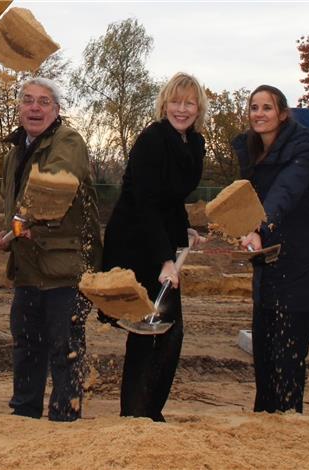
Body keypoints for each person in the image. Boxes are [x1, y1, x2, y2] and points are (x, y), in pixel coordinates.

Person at [0, 77, 102, 422]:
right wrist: (10, 234)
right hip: (27, 267)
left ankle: (65, 417)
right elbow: (16, 209)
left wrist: (19, 222)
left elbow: (56, 182)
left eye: (44, 102)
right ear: (19, 108)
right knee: (26, 344)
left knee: (65, 346)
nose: (35, 108)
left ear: (56, 110)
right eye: (28, 100)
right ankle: (24, 414)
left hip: (64, 266)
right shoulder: (14, 154)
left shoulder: (68, 141)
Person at [101, 72, 208, 422]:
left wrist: (184, 228)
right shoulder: (152, 139)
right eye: (175, 101)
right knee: (151, 329)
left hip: (161, 236)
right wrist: (165, 260)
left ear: (198, 108)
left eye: (189, 103)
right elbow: (146, 202)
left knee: (166, 332)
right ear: (164, 104)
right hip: (136, 241)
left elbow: (171, 199)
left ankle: (146, 412)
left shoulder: (193, 143)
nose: (182, 109)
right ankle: (138, 414)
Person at [230, 85, 309, 413]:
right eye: (254, 107)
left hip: (299, 260)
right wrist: (242, 227)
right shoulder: (251, 149)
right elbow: (248, 199)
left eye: (267, 107)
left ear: (283, 114)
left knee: (289, 352)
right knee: (264, 348)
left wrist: (260, 227)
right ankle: (264, 418)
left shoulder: (303, 147)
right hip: (267, 261)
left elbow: (285, 191)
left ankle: (289, 417)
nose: (259, 114)